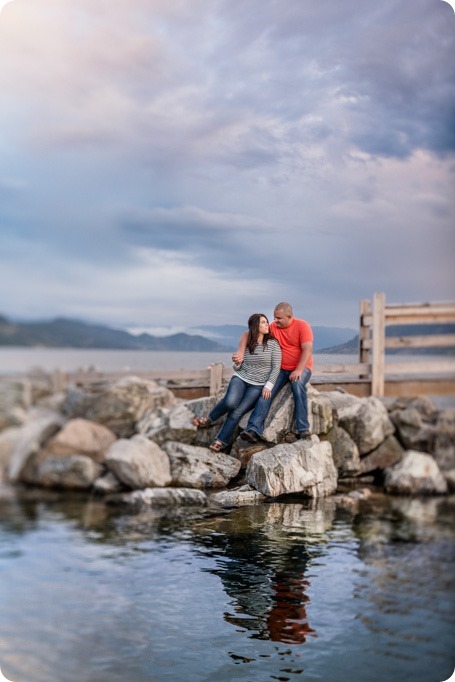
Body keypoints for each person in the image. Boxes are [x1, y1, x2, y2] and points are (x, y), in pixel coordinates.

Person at [192, 313, 281, 452]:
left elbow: (276, 367)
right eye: (263, 322)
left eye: (266, 322)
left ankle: (221, 441)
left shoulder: (273, 344)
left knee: (236, 412)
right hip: (241, 377)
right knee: (230, 402)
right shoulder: (248, 342)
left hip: (258, 385)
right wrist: (237, 363)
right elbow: (238, 366)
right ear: (255, 326)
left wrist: (268, 386)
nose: (267, 325)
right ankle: (209, 419)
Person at [234, 302, 313, 442]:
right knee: (266, 391)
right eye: (274, 317)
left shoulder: (302, 326)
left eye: (279, 318)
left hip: (301, 367)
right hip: (280, 369)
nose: (275, 321)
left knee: (297, 385)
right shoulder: (273, 327)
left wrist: (299, 370)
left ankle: (303, 429)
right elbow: (247, 335)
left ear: (290, 316)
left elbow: (307, 350)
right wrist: (240, 352)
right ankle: (253, 429)